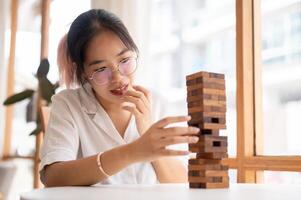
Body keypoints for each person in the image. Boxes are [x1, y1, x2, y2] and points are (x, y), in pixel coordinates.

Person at [39, 9, 200, 187]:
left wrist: (147, 130)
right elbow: (53, 176)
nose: (118, 78)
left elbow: (181, 182)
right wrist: (132, 152)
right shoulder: (68, 104)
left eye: (124, 60)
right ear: (84, 72)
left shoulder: (159, 103)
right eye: (101, 69)